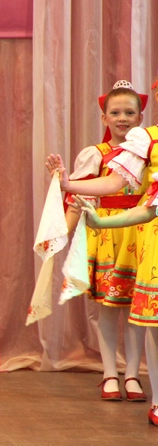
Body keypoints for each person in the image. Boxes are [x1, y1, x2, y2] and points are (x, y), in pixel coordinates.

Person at [48, 79, 158, 421]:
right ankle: (114, 373)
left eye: (129, 113)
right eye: (115, 112)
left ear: (140, 115)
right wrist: (63, 231)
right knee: (117, 308)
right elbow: (87, 194)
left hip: (140, 231)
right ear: (104, 117)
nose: (122, 119)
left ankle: (133, 375)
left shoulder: (146, 144)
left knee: (141, 312)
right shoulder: (110, 151)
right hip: (115, 234)